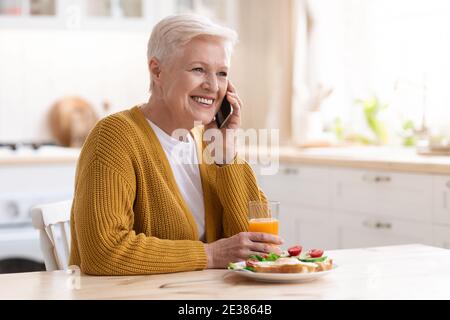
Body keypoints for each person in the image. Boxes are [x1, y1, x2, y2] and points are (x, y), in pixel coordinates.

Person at [69, 14, 283, 275]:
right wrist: (210, 254)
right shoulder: (115, 136)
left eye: (222, 73)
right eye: (198, 69)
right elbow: (103, 252)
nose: (213, 86)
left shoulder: (206, 144)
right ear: (157, 71)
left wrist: (226, 156)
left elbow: (255, 247)